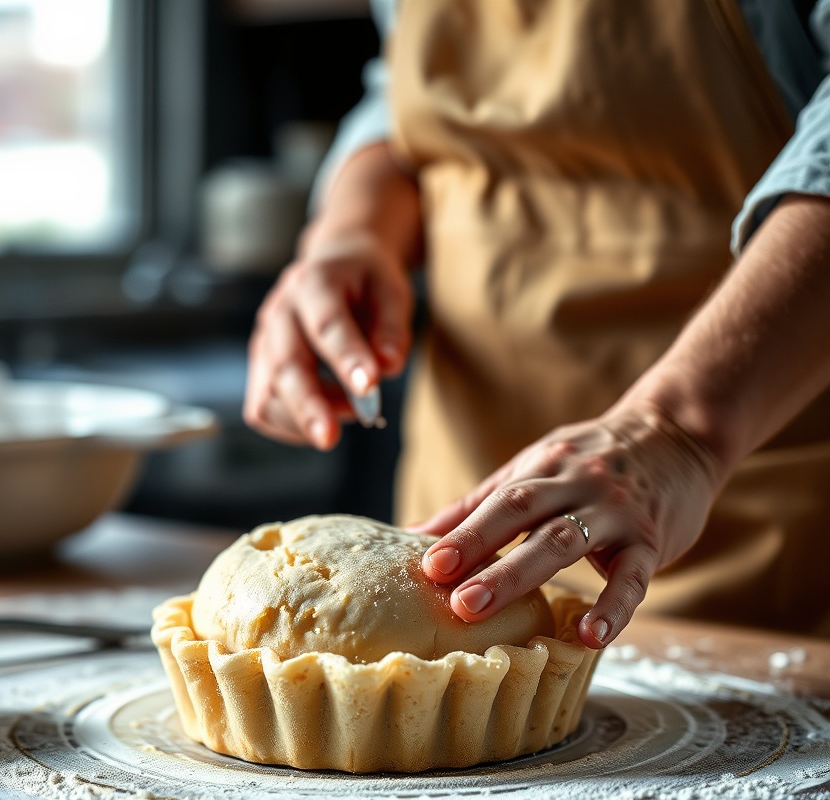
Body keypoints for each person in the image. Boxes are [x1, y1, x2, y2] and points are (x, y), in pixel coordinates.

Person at [243, 0, 830, 646]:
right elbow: (409, 103)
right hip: (456, 541)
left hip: (758, 555)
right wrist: (352, 233)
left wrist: (678, 431)